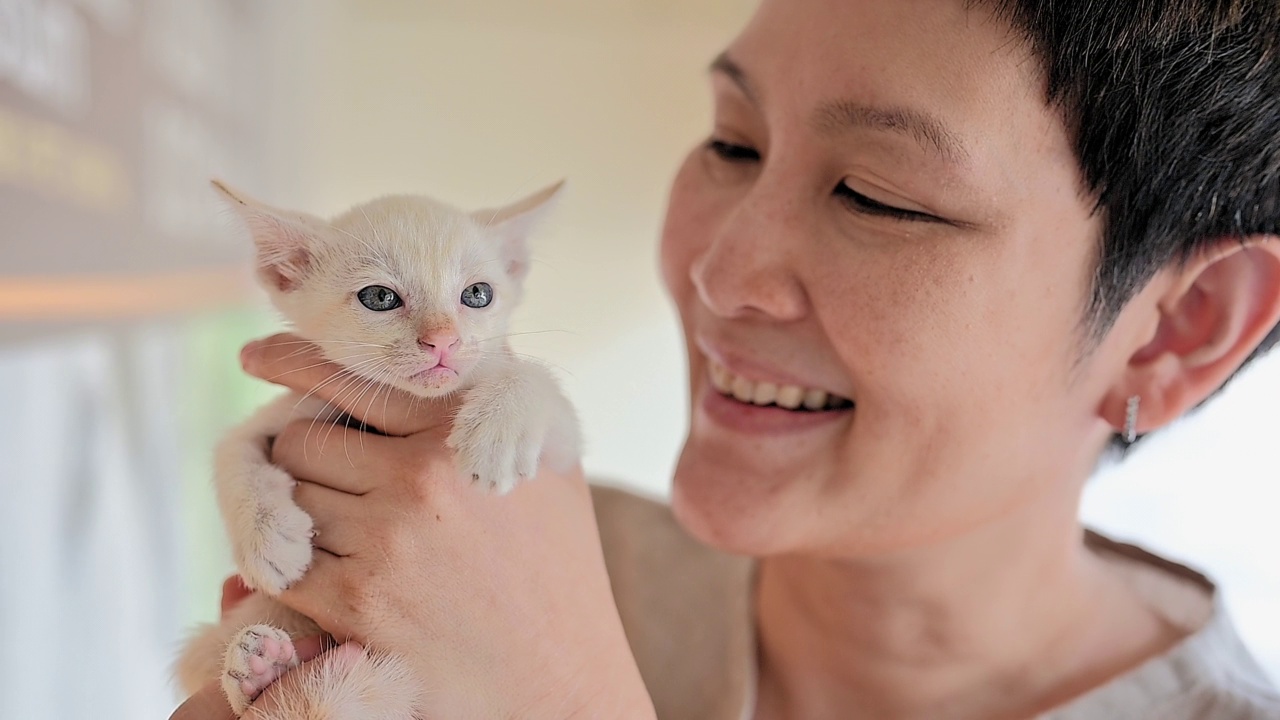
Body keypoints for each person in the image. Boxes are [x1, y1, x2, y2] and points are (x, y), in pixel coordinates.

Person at [172, 0, 1280, 718]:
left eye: (874, 194)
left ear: (1180, 328)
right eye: (730, 143)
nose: (716, 271)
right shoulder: (470, 531)